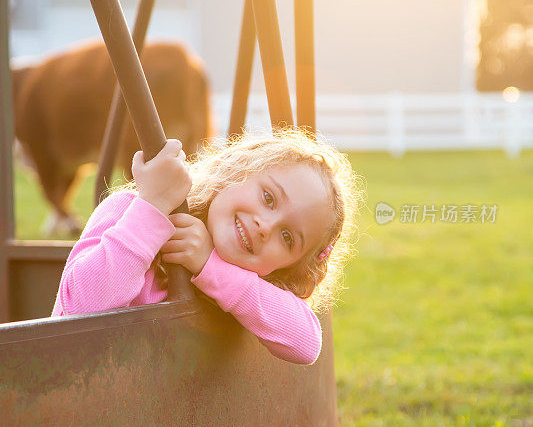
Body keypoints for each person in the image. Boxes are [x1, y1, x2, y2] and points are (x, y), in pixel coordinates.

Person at [51, 130, 363, 365]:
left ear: (286, 267)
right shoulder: (128, 212)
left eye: (288, 237)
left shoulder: (249, 289)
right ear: (236, 172)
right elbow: (77, 309)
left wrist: (209, 265)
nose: (266, 227)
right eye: (268, 197)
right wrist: (154, 208)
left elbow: (306, 344)